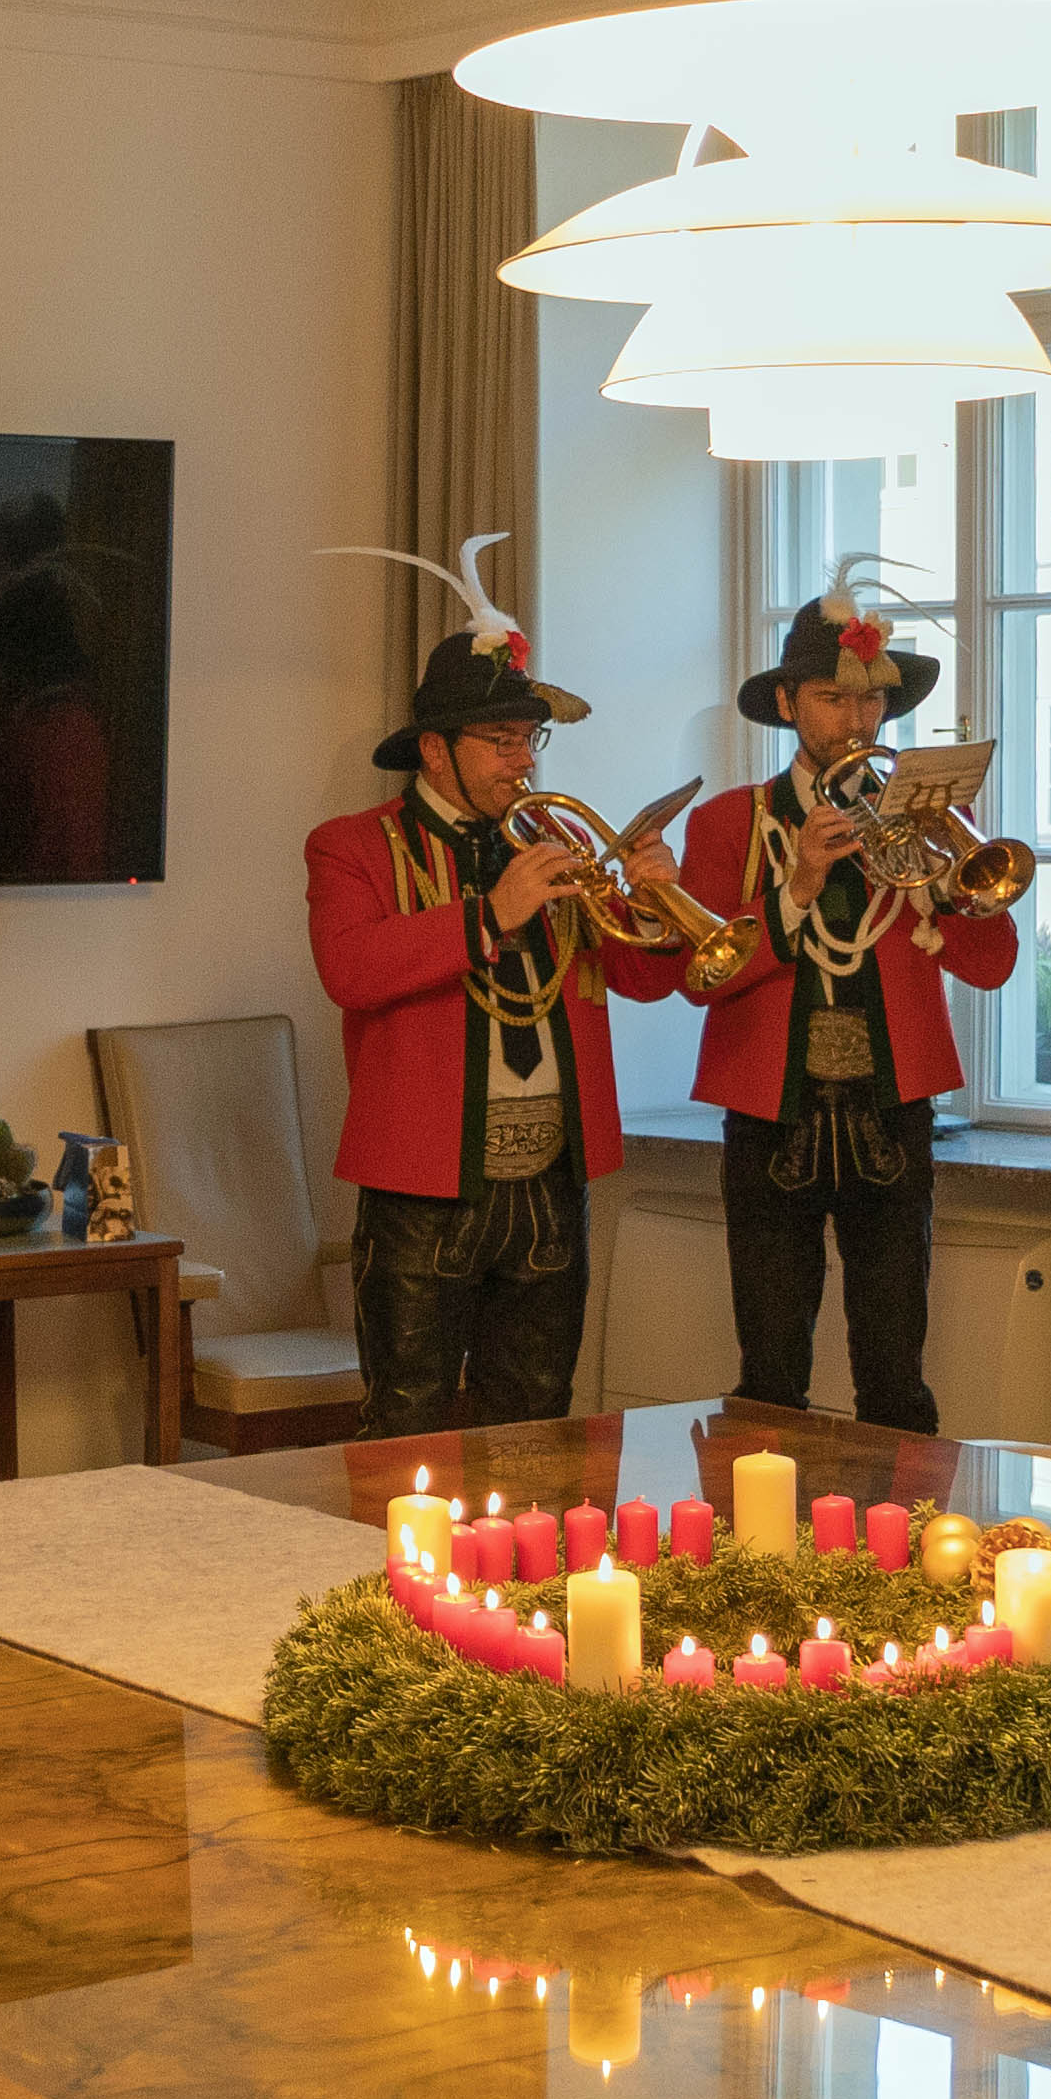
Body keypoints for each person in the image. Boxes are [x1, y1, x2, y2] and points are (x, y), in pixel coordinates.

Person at [307, 544, 688, 1440]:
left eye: (529, 739)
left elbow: (639, 977)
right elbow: (351, 971)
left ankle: (528, 1587)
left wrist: (658, 903)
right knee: (407, 1427)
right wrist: (492, 914)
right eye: (500, 741)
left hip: (551, 1180)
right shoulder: (353, 845)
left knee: (539, 1430)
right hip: (423, 1187)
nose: (522, 761)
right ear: (434, 751)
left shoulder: (553, 835)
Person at [676, 595, 1020, 1431]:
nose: (857, 716)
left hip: (893, 1110)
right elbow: (697, 977)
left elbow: (996, 965)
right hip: (769, 1116)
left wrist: (947, 890)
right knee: (769, 1376)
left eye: (872, 698)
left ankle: (900, 1552)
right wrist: (791, 891)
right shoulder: (731, 821)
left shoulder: (938, 820)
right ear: (788, 705)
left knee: (897, 1376)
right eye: (833, 697)